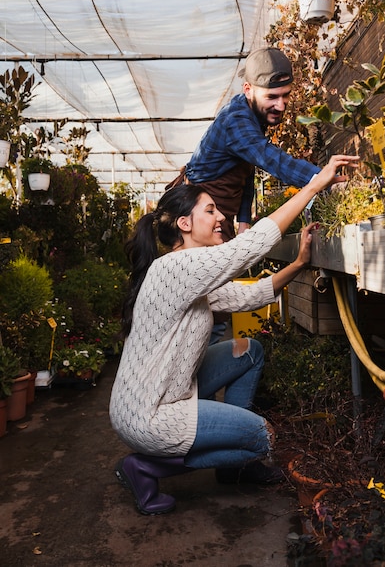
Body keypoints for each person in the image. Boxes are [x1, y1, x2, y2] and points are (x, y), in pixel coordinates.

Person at [109, 153, 358, 516]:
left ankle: (228, 458)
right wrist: (315, 184)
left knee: (249, 351)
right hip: (151, 415)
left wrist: (299, 264)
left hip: (152, 397)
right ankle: (147, 467)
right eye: (210, 211)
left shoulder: (187, 274)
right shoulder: (178, 266)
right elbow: (249, 247)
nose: (221, 217)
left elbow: (247, 296)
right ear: (184, 223)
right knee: (261, 437)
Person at [181, 46, 348, 241]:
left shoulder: (253, 114)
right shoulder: (236, 122)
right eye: (272, 97)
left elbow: (246, 173)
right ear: (248, 90)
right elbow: (275, 161)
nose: (281, 105)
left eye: (285, 95)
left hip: (220, 211)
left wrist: (243, 221)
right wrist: (324, 180)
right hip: (201, 216)